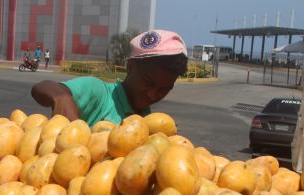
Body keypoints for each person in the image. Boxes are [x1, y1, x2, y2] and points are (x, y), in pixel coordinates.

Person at [31, 30, 188, 127]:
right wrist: (62, 99)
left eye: (163, 89)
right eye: (148, 82)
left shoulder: (147, 122)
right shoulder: (100, 93)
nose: (153, 94)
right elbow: (43, 87)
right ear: (130, 67)